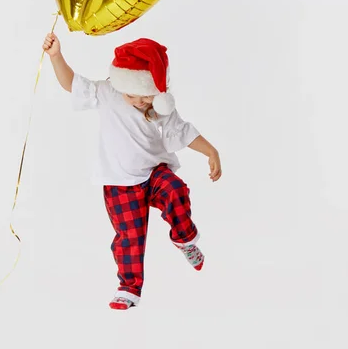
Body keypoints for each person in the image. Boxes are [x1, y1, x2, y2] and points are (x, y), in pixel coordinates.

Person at [43, 33, 222, 310]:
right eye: (132, 95)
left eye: (146, 97)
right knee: (129, 238)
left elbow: (181, 130)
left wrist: (211, 150)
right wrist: (56, 56)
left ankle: (184, 238)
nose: (139, 102)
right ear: (120, 83)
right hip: (119, 182)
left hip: (153, 173)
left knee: (175, 189)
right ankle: (128, 288)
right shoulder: (107, 92)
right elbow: (72, 84)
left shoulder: (161, 105)